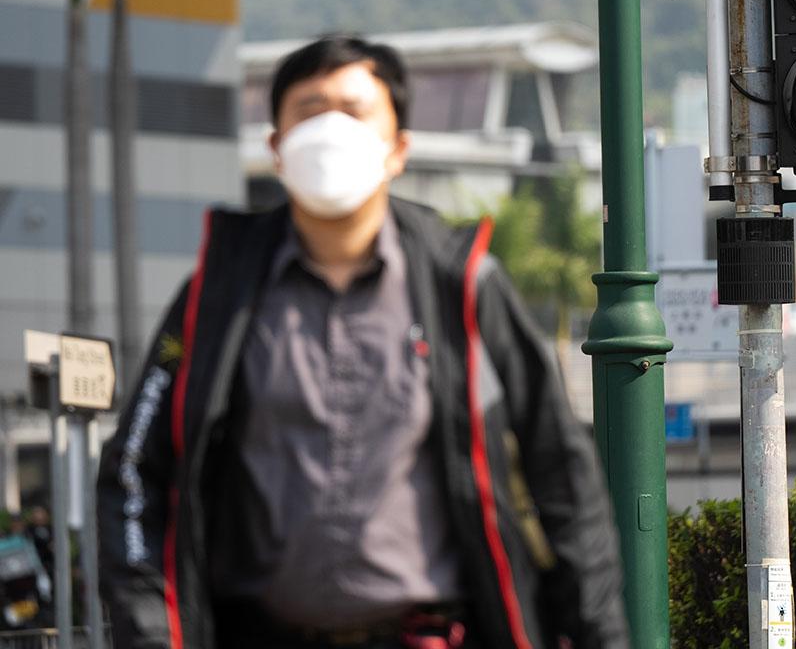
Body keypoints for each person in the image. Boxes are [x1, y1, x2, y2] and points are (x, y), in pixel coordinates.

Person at [97, 35, 629, 649]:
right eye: (309, 110)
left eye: (353, 111)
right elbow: (134, 470)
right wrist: (148, 633)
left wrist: (599, 634)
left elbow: (559, 468)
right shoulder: (216, 294)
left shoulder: (461, 284)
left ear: (398, 148)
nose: (329, 130)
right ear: (276, 147)